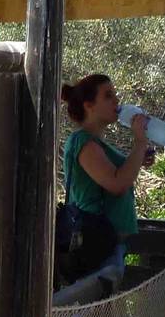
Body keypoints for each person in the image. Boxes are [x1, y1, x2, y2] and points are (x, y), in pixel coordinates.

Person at [59, 73, 155, 282]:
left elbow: (120, 174)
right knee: (93, 308)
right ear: (89, 106)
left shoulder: (96, 143)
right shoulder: (84, 143)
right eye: (108, 96)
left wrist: (138, 157)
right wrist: (139, 143)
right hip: (96, 242)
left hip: (108, 243)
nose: (117, 101)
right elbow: (117, 184)